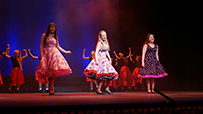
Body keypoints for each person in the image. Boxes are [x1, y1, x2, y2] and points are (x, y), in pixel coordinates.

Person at [35, 22, 72, 95]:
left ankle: (51, 87)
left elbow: (58, 46)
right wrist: (42, 56)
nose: (53, 29)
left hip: (54, 54)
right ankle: (50, 87)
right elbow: (40, 46)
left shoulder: (55, 37)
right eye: (51, 27)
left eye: (54, 27)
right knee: (47, 71)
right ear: (48, 28)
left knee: (53, 70)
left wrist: (66, 51)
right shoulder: (44, 35)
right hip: (47, 54)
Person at [84, 30, 119, 95]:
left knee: (110, 75)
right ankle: (99, 89)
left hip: (105, 60)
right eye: (103, 35)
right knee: (103, 75)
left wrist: (109, 59)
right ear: (100, 36)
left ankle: (107, 89)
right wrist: (96, 60)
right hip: (101, 60)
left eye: (105, 35)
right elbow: (96, 52)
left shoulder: (105, 43)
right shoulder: (99, 43)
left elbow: (106, 51)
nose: (104, 36)